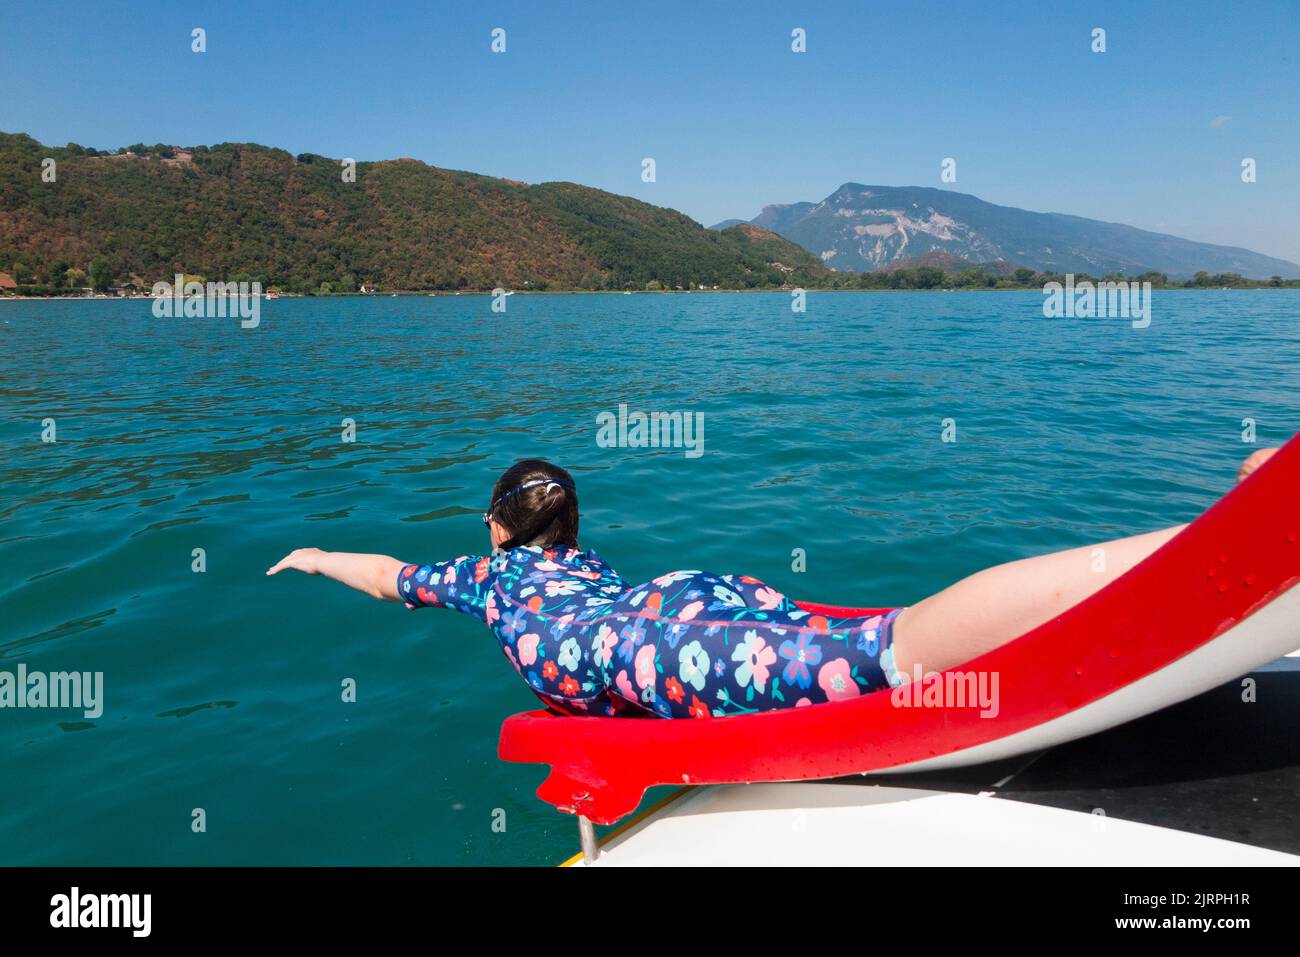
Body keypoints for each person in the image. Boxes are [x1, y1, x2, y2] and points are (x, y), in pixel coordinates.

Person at [267, 448, 1280, 718]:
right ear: (571, 526)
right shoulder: (583, 563)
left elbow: (388, 575)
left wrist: (311, 557)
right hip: (683, 595)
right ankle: (1211, 538)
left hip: (637, 647)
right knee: (878, 628)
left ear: (495, 529)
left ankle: (1213, 540)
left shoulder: (484, 579)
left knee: (888, 655)